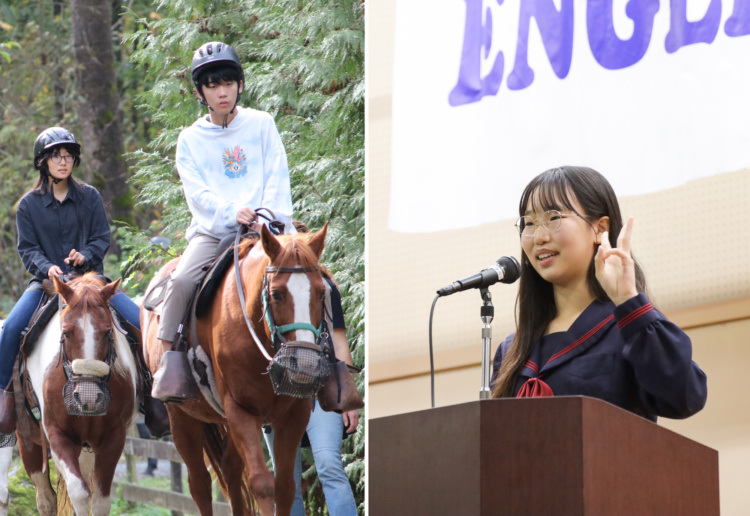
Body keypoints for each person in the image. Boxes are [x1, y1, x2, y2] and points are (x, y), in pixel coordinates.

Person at [491, 166, 707, 422]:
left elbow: (684, 398)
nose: (539, 236)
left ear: (599, 228)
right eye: (528, 223)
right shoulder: (511, 350)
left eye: (553, 217)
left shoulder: (631, 328)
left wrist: (628, 300)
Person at [151, 41, 295, 403]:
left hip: (268, 226)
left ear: (240, 85)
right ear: (201, 92)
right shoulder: (189, 140)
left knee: (314, 276)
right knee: (182, 279)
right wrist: (233, 211)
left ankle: (336, 365)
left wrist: (265, 216)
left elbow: (277, 174)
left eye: (228, 83)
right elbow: (197, 193)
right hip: (215, 229)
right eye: (213, 85)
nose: (222, 92)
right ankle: (169, 360)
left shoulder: (262, 124)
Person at [0, 127, 142, 436]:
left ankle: (153, 397)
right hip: (48, 285)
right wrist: (48, 267)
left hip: (90, 282)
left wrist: (85, 255)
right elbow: (27, 249)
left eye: (68, 156)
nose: (63, 162)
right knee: (10, 329)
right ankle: (5, 397)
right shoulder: (28, 205)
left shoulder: (90, 196)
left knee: (142, 321)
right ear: (43, 162)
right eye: (56, 156)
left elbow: (101, 238)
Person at [264, 220, 359, 516]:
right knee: (285, 480)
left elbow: (340, 342)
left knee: (329, 463)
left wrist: (347, 398)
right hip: (277, 389)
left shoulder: (325, 288)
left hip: (319, 385)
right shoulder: (266, 287)